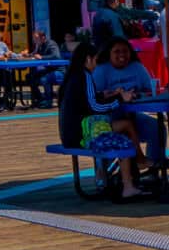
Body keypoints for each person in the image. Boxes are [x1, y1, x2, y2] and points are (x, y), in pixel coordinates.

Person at [58, 41, 142, 199]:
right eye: (95, 60)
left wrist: (107, 94)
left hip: (71, 135)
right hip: (84, 134)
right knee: (124, 141)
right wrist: (120, 100)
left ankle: (132, 166)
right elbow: (95, 106)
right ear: (88, 59)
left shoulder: (72, 77)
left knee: (126, 125)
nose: (96, 64)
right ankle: (128, 185)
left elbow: (86, 101)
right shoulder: (85, 76)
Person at [93, 37, 164, 168]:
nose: (122, 55)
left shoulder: (137, 67)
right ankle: (103, 172)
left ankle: (154, 168)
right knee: (121, 131)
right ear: (109, 53)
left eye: (125, 51)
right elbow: (96, 97)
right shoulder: (102, 70)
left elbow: (150, 89)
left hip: (133, 115)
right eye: (117, 51)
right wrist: (117, 95)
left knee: (157, 127)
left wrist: (137, 94)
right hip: (109, 119)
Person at [28, 29, 62, 108]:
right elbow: (35, 54)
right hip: (49, 70)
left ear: (42, 37)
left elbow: (56, 56)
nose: (35, 40)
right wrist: (27, 55)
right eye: (34, 39)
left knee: (45, 78)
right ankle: (40, 99)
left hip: (58, 70)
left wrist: (42, 57)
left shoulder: (51, 44)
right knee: (30, 77)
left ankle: (48, 102)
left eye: (36, 38)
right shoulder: (39, 45)